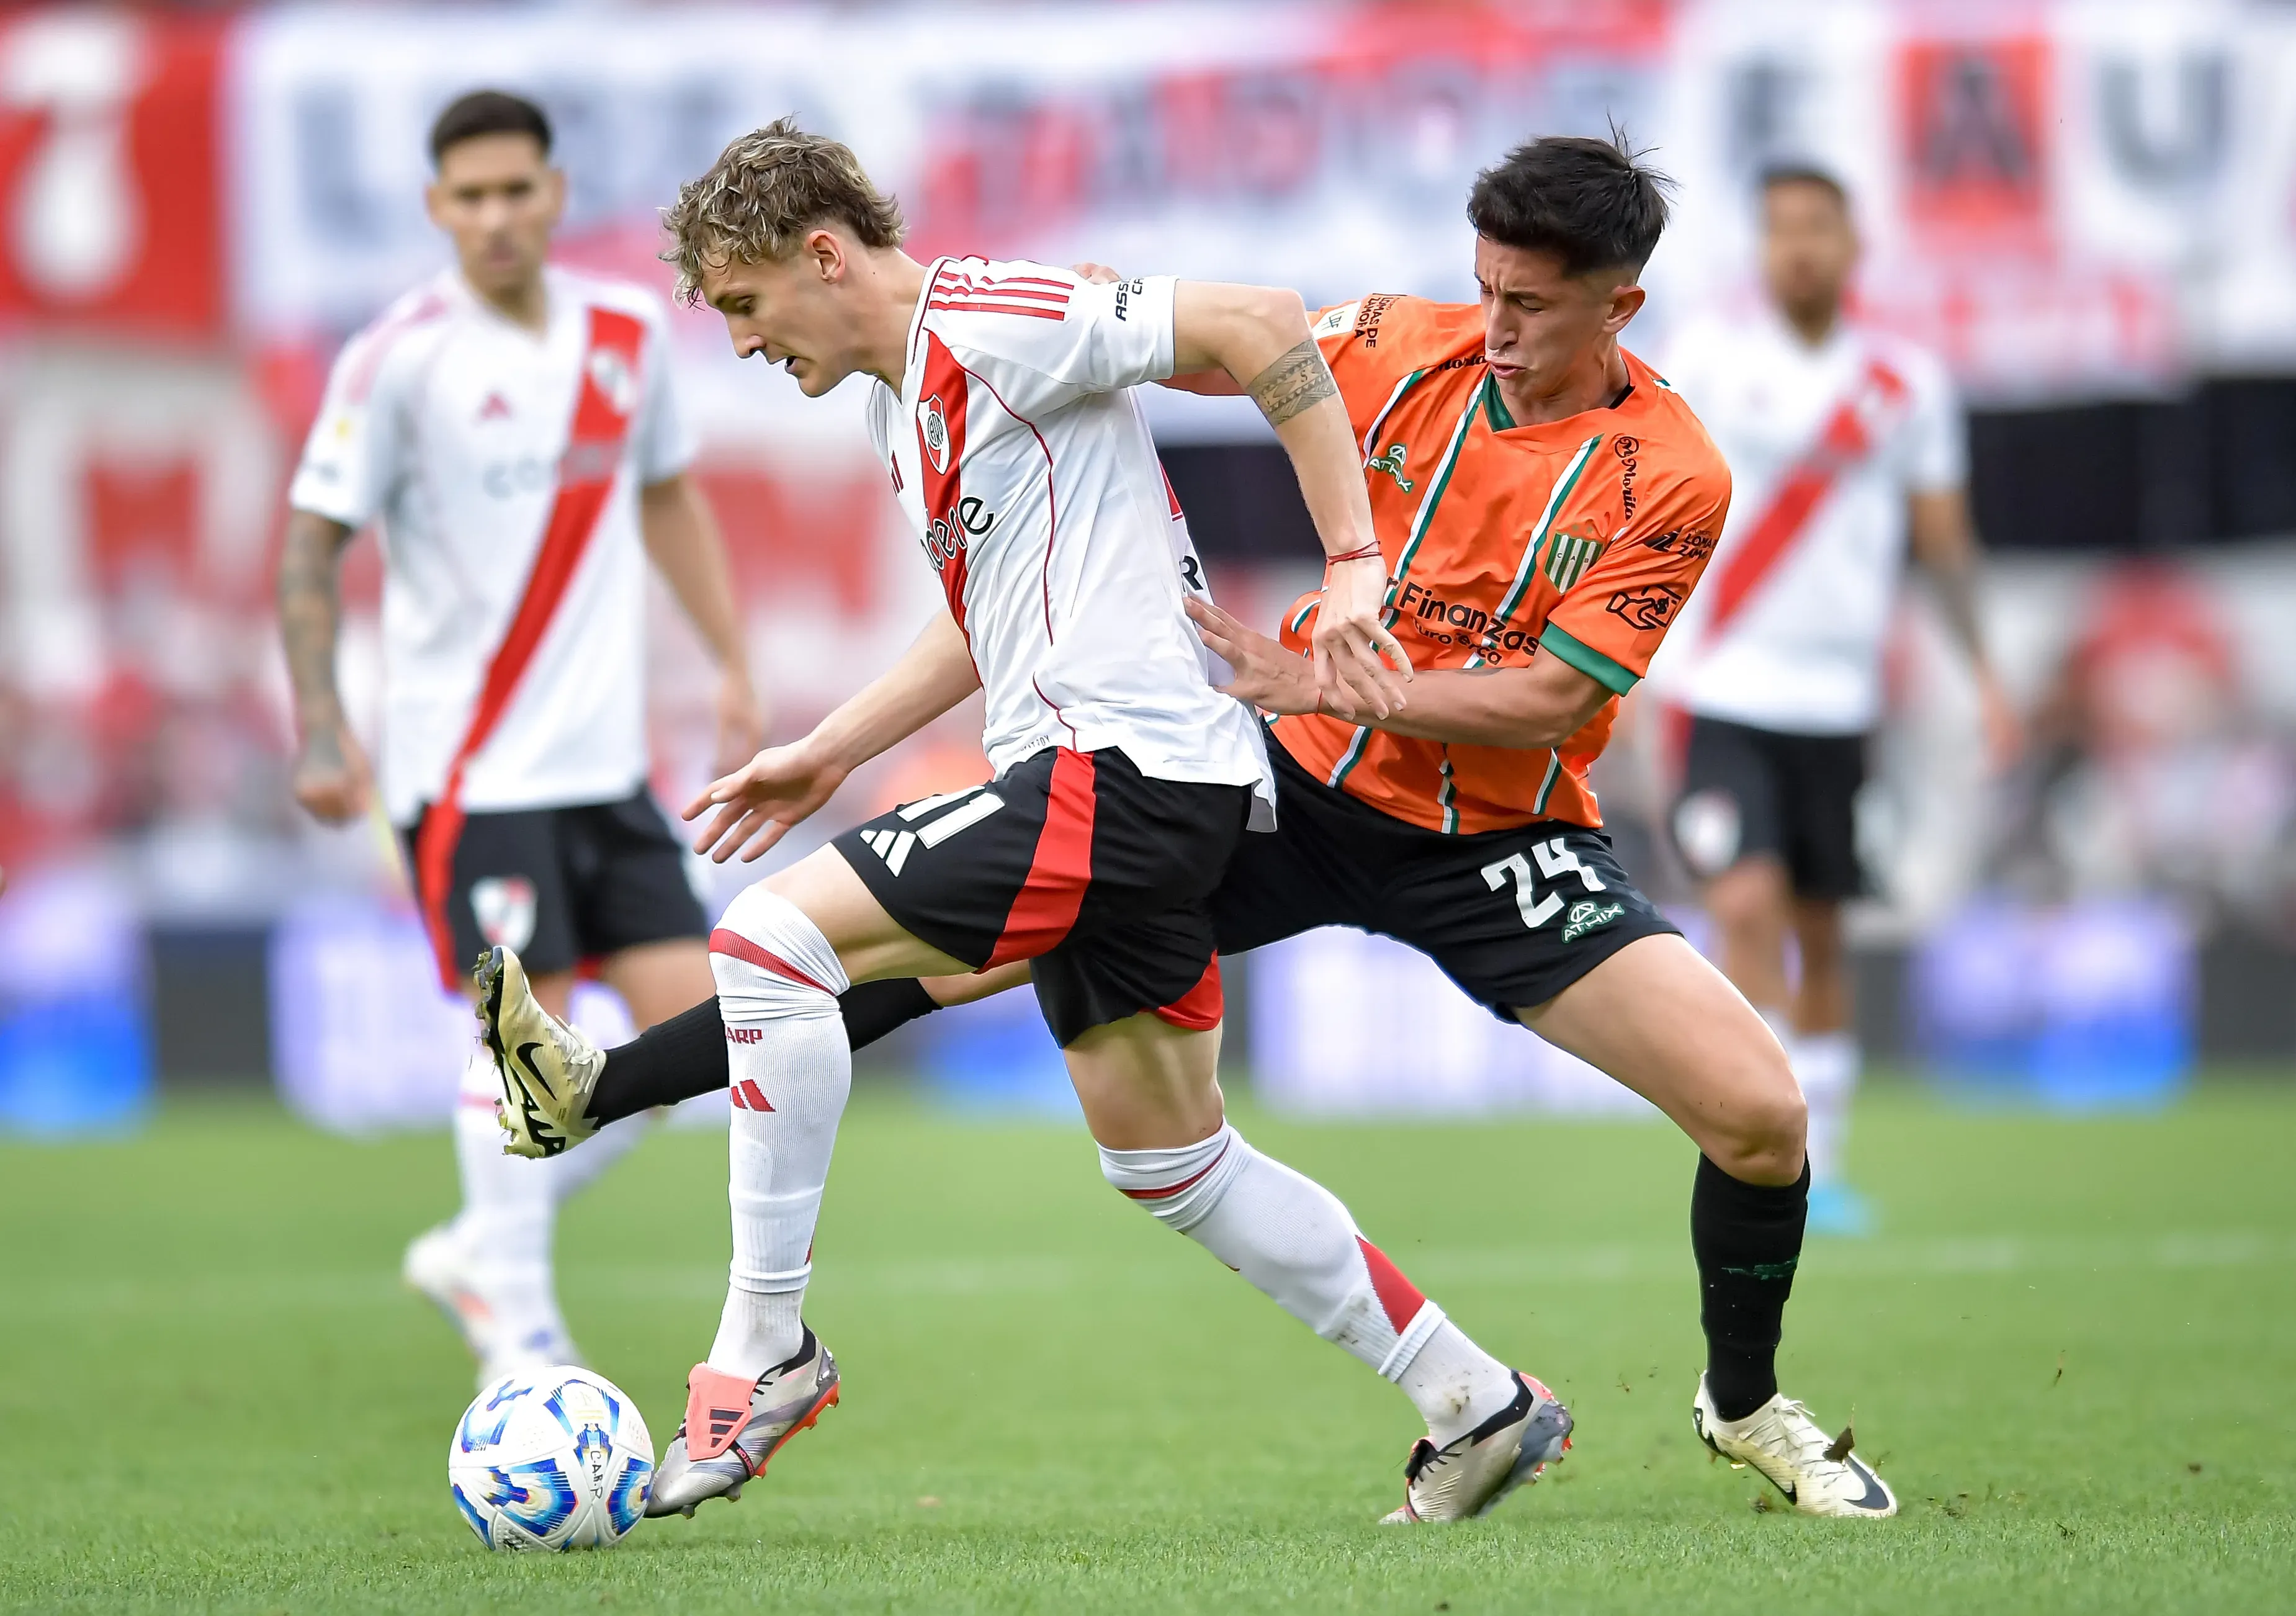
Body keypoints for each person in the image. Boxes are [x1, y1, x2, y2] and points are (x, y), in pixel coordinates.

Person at [487, 135, 1901, 1519]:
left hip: (1492, 836)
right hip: (1284, 783)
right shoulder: (1409, 346)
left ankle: (1741, 1404)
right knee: (946, 975)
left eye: (1527, 306)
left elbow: (1545, 700)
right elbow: (1236, 344)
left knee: (1760, 1118)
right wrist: (1090, 319)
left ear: (1617, 308)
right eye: (1484, 288)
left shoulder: (1672, 472)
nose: (1494, 326)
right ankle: (597, 1093)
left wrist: (1337, 629)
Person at [277, 89, 761, 1385]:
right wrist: (323, 728)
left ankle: (482, 1245)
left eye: (515, 190)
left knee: (706, 1057)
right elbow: (312, 547)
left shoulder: (623, 335)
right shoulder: (397, 359)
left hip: (605, 767)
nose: (494, 216)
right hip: (469, 768)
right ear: (438, 210)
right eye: (468, 197)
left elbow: (665, 498)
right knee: (517, 1048)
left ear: (552, 194)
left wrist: (729, 660)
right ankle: (519, 1332)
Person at [1647, 164, 2016, 1237]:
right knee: (1747, 907)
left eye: (1818, 227)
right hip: (1721, 689)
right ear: (1761, 251)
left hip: (1841, 704)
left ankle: (1829, 1164)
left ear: (1854, 247)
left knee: (1821, 928)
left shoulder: (1905, 385)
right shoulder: (1711, 359)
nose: (1799, 246)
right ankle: (1760, 1146)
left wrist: (1985, 674)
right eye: (1780, 229)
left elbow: (1943, 538)